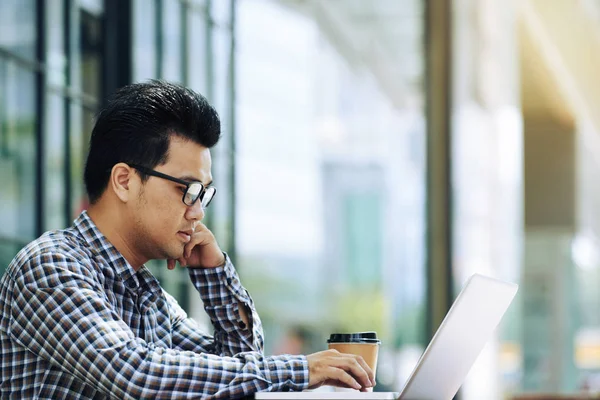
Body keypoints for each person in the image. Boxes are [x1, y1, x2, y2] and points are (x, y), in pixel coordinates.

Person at [0, 81, 374, 399]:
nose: (197, 212)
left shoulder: (149, 298)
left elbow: (235, 378)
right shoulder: (50, 267)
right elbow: (135, 374)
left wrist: (215, 277)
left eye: (204, 194)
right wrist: (301, 369)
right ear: (125, 181)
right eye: (187, 189)